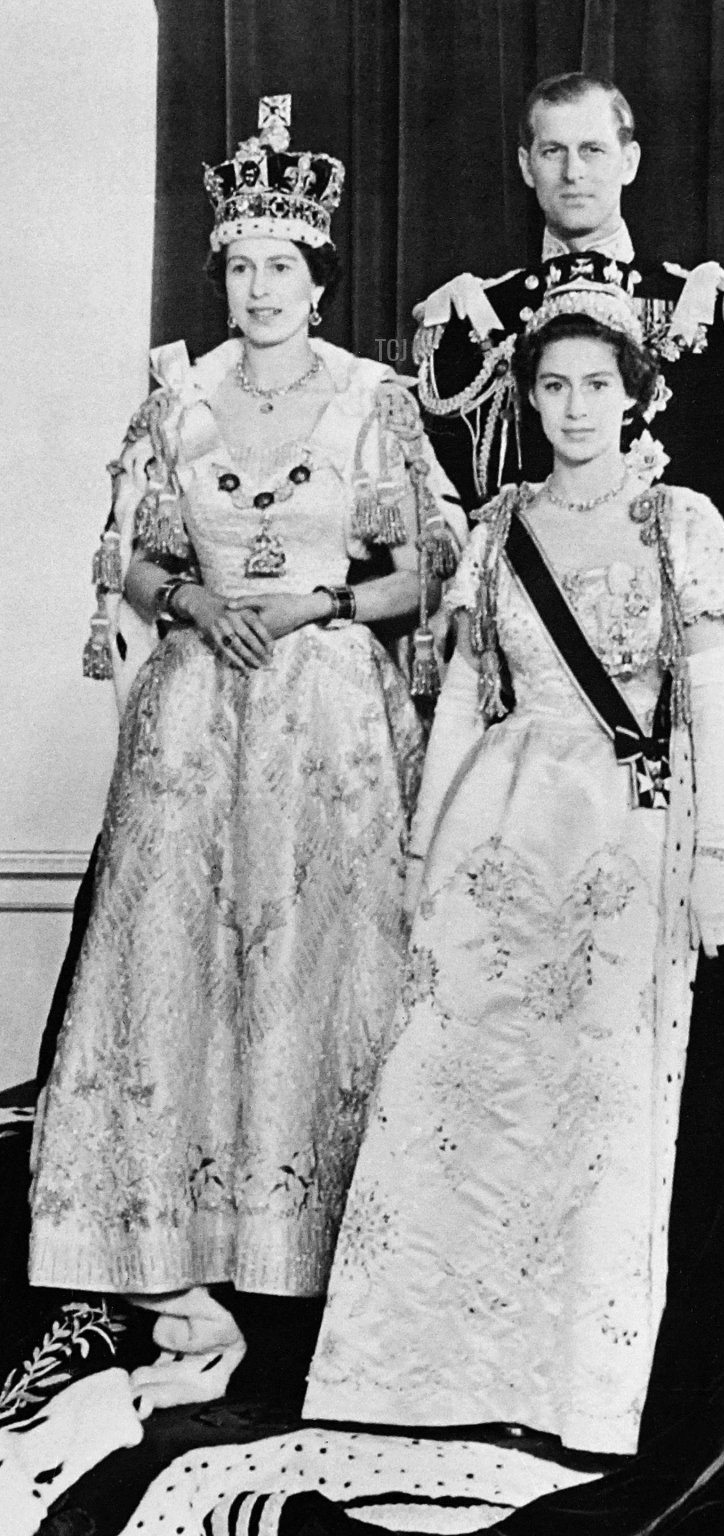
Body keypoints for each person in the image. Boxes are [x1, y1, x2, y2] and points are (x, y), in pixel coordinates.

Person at [26, 95, 465, 1414]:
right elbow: (144, 552)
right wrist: (188, 602)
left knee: (328, 968)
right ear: (220, 272)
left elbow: (430, 566)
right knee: (176, 963)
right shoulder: (178, 394)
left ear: (319, 277)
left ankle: (333, 1260)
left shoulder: (375, 402)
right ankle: (176, 1267)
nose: (261, 286)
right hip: (198, 718)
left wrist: (322, 604)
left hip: (323, 710)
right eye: (242, 266)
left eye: (284, 266)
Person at [304, 270, 724, 1456]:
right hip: (496, 825)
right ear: (530, 399)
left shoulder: (681, 525)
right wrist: (418, 847)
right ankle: (418, 1371)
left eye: (597, 385)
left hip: (626, 830)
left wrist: (715, 858)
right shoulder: (500, 528)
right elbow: (462, 697)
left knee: (598, 1103)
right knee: (458, 1085)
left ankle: (574, 1389)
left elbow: (710, 698)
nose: (575, 406)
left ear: (636, 396)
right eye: (553, 387)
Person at [413, 72, 724, 548]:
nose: (573, 173)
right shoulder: (473, 316)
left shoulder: (707, 311)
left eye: (593, 150)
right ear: (526, 166)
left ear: (629, 161)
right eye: (552, 151)